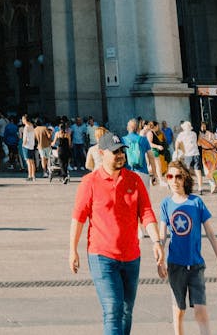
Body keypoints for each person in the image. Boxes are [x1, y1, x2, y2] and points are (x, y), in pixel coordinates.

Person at [69, 131, 165, 335]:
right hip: (101, 256)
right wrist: (73, 250)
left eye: (122, 151)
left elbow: (146, 212)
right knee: (113, 309)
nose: (120, 155)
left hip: (131, 256)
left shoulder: (134, 180)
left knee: (126, 311)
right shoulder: (89, 182)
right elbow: (78, 219)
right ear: (102, 153)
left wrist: (156, 241)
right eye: (115, 152)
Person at [159, 159, 217, 334]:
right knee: (178, 311)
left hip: (196, 265)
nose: (174, 180)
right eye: (170, 176)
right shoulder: (166, 204)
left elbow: (210, 233)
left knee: (201, 311)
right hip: (175, 265)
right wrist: (159, 260)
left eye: (178, 176)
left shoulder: (196, 202)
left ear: (185, 178)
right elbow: (162, 235)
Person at [122, 118, 157, 187]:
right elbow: (151, 157)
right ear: (138, 128)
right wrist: (154, 174)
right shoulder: (143, 139)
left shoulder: (123, 140)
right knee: (144, 196)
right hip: (143, 173)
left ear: (127, 128)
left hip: (128, 173)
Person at [173, 121, 203, 195]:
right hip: (196, 154)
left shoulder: (181, 134)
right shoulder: (194, 134)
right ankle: (200, 187)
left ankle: (188, 187)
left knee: (187, 172)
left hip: (188, 155)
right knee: (198, 171)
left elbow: (177, 142)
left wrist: (176, 151)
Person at [53, 119, 72, 183]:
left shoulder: (57, 134)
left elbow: (54, 142)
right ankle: (65, 176)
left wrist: (52, 144)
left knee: (61, 163)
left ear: (59, 127)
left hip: (60, 150)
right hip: (66, 149)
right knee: (66, 163)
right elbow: (69, 143)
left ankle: (64, 176)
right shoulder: (68, 134)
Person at [21, 115, 37, 181]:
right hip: (32, 145)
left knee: (28, 162)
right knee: (32, 162)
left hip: (27, 146)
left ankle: (29, 176)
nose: (22, 121)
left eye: (22, 119)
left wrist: (23, 144)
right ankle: (33, 176)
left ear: (25, 120)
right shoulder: (32, 126)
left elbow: (25, 138)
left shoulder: (26, 127)